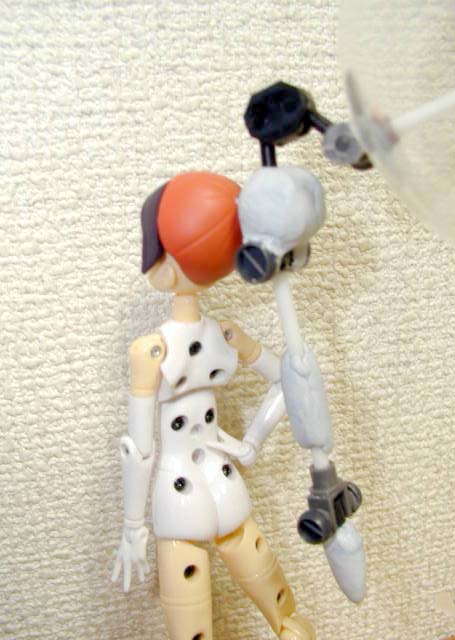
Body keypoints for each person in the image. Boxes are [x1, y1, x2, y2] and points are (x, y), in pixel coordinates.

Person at [112, 171, 316, 640]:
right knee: (277, 613)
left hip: (190, 490)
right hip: (210, 484)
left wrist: (133, 525)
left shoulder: (160, 349)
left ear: (163, 261)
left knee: (225, 615)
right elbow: (287, 382)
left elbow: (139, 451)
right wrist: (251, 441)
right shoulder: (217, 337)